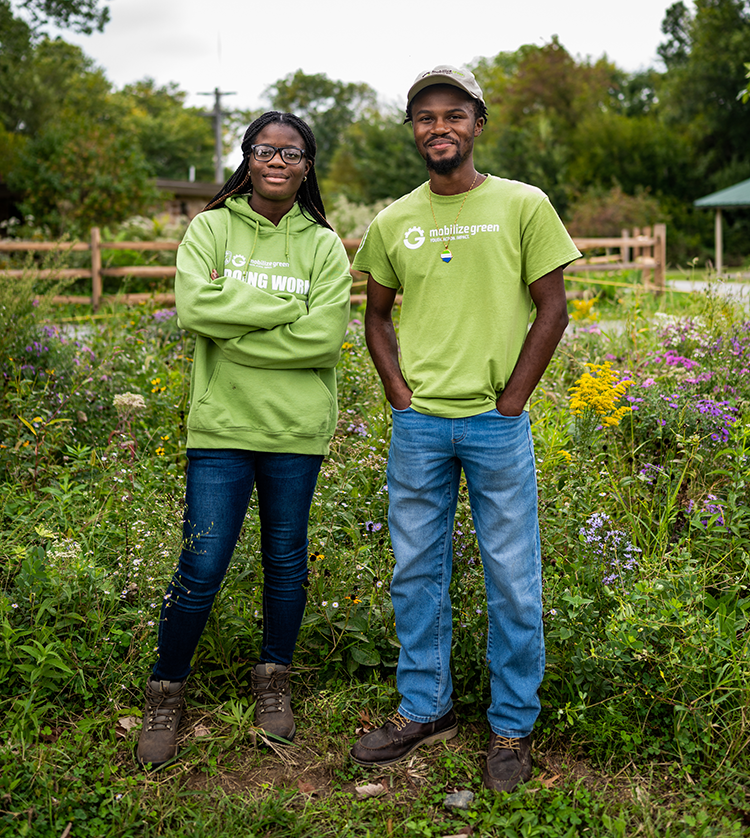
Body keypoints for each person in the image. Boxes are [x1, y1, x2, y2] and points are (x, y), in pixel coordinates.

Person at [349, 65, 581, 792]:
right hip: (420, 429)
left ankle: (512, 724)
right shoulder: (394, 220)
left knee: (512, 578)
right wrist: (399, 393)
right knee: (416, 571)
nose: (439, 127)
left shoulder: (523, 205)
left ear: (478, 123)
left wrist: (512, 400)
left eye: (454, 114)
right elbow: (376, 314)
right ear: (413, 130)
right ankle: (426, 708)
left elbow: (553, 307)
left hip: (494, 425)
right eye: (425, 116)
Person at [136, 111, 351, 770]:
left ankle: (274, 677)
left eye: (293, 153)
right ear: (249, 158)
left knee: (286, 560)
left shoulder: (322, 245)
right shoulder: (211, 229)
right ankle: (166, 690)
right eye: (266, 150)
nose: (279, 161)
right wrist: (287, 309)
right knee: (201, 563)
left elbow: (325, 337)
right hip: (222, 427)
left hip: (295, 431)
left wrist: (240, 329)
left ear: (308, 166)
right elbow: (195, 310)